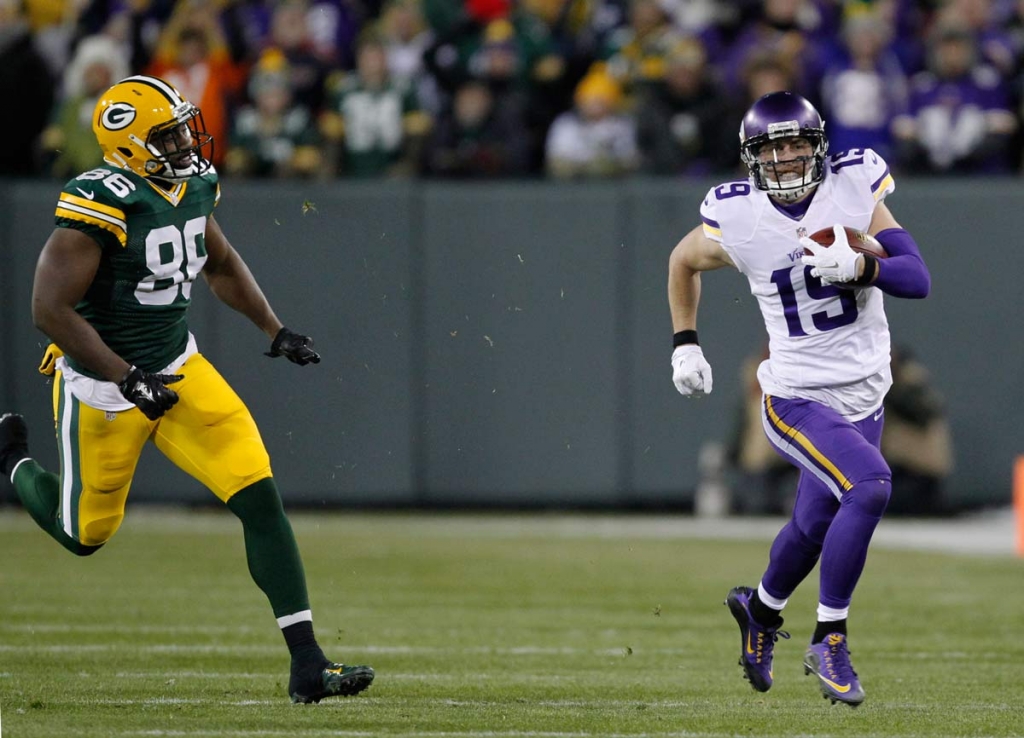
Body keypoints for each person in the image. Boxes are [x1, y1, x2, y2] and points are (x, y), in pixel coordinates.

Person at [0, 74, 374, 705]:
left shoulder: (194, 186)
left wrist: (274, 328)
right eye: (167, 134)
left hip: (179, 367)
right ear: (126, 145)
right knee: (86, 533)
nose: (184, 143)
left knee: (259, 498)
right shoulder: (102, 199)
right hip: (104, 389)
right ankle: (12, 461)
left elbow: (219, 263)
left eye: (182, 129)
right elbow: (50, 309)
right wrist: (126, 376)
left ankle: (308, 664)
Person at [667, 91, 931, 706]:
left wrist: (863, 268)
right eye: (772, 148)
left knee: (813, 525)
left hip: (865, 392)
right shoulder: (739, 216)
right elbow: (682, 261)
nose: (785, 158)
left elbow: (917, 278)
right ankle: (829, 637)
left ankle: (758, 610)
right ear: (751, 157)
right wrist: (685, 343)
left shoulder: (855, 186)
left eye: (795, 143)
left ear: (818, 146)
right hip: (797, 396)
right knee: (869, 486)